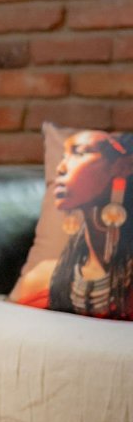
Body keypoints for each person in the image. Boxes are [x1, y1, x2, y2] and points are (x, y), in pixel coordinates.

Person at [13, 129, 133, 319]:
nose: (61, 168)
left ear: (122, 166)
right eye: (63, 156)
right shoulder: (40, 279)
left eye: (79, 152)